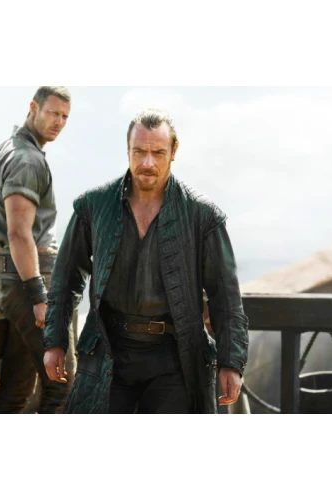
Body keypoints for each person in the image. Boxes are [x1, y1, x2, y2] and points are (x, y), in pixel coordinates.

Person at [42, 107, 249, 416]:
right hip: (109, 350)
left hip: (175, 358)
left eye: (157, 153)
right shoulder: (93, 206)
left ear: (174, 152)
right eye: (139, 152)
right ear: (128, 150)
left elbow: (226, 296)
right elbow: (65, 279)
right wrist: (55, 342)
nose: (147, 163)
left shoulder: (203, 216)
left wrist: (232, 362)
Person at [0, 85, 76, 415]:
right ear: (33, 108)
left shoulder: (5, 149)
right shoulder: (27, 160)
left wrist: (0, 281)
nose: (59, 122)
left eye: (65, 116)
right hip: (30, 284)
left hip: (11, 281)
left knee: (17, 389)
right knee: (64, 385)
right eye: (52, 113)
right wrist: (39, 297)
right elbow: (18, 233)